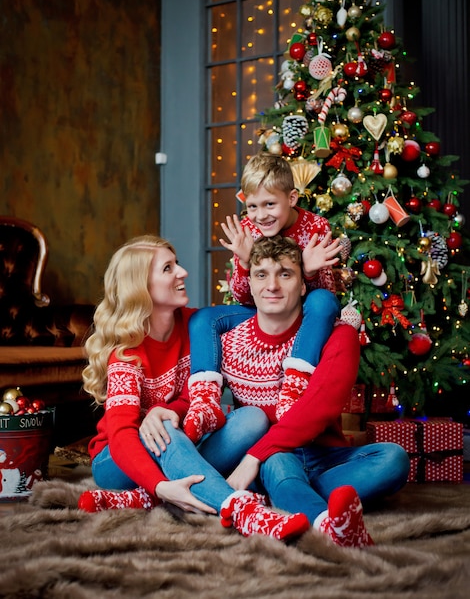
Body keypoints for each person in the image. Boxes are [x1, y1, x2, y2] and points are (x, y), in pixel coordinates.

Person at [77, 234, 310, 542]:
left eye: (178, 264)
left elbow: (265, 313)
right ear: (141, 287)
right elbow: (120, 434)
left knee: (253, 417)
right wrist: (160, 482)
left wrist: (167, 409)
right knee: (164, 430)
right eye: (168, 268)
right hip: (119, 460)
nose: (182, 272)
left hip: (184, 443)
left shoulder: (199, 325)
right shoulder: (126, 353)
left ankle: (149, 499)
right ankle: (242, 510)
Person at [202, 235, 411, 548]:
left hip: (321, 457)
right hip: (272, 458)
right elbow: (199, 403)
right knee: (278, 460)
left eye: (285, 274)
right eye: (261, 275)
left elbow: (317, 412)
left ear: (302, 286)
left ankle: (286, 494)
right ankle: (326, 522)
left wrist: (252, 458)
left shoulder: (337, 336)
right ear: (251, 283)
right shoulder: (228, 341)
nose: (272, 286)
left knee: (393, 458)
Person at [184, 151, 342, 443]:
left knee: (325, 302)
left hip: (304, 311)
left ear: (292, 199)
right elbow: (243, 297)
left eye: (270, 204)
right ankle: (205, 402)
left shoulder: (315, 227)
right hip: (264, 309)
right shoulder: (249, 230)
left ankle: (295, 385)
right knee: (204, 318)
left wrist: (307, 271)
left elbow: (327, 293)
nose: (261, 215)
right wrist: (244, 263)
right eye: (253, 206)